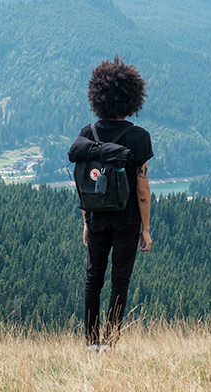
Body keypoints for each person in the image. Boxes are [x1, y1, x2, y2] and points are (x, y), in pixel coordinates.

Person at [80, 56, 153, 351]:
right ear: (131, 99)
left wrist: (86, 221)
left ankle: (90, 343)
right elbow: (142, 186)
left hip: (96, 216)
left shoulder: (88, 135)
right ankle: (110, 344)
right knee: (119, 281)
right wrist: (145, 228)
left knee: (93, 277)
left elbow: (85, 182)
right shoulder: (138, 137)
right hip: (126, 220)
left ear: (98, 97)